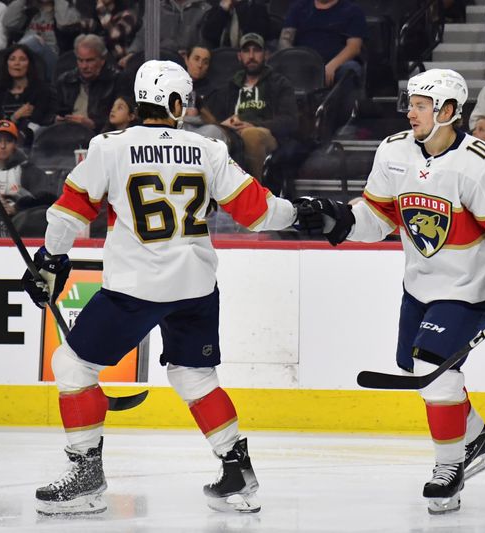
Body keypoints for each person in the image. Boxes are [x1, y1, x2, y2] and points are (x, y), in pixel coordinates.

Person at [23, 60, 299, 516]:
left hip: (136, 287)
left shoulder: (110, 146)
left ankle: (87, 479)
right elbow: (260, 213)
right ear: (176, 103)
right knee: (194, 376)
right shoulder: (206, 147)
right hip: (195, 284)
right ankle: (237, 474)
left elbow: (67, 213)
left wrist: (52, 259)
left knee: (71, 366)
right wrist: (305, 211)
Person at [294, 69, 485, 515]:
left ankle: (449, 469)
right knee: (419, 369)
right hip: (420, 285)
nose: (411, 111)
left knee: (432, 369)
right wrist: (340, 221)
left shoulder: (483, 163)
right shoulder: (393, 151)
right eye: (411, 103)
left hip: (469, 288)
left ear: (448, 112)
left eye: (422, 105)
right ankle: (477, 437)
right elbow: (379, 218)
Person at [202, 32, 297, 179]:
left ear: (266, 55)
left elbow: (289, 121)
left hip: (266, 135)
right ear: (240, 56)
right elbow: (212, 118)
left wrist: (251, 124)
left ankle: (255, 192)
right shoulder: (230, 86)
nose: (251, 56)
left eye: (256, 50)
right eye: (246, 51)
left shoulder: (279, 83)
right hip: (232, 135)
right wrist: (224, 125)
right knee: (209, 133)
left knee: (250, 134)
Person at [279, 0, 367, 87]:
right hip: (302, 65)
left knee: (350, 68)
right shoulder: (298, 8)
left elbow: (354, 47)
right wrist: (294, 63)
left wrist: (332, 66)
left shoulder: (353, 11)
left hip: (336, 65)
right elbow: (285, 40)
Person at [0, 119, 53, 214]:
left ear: (16, 144)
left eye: (8, 141)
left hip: (19, 223)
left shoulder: (29, 170)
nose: (3, 146)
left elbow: (47, 198)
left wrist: (17, 208)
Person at [0, 44, 56, 145]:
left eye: (22, 59)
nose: (17, 63)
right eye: (12, 59)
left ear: (29, 64)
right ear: (7, 64)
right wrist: (15, 117)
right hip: (3, 143)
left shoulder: (41, 91)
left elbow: (39, 121)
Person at [54, 33, 118, 133]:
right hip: (67, 134)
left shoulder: (116, 81)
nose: (84, 66)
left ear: (102, 60)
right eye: (80, 60)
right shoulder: (65, 81)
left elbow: (122, 120)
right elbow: (51, 111)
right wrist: (56, 119)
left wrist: (93, 124)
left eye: (89, 60)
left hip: (101, 136)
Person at [202, 0, 271, 49]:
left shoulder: (258, 8)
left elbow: (254, 36)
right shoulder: (218, 8)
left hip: (246, 55)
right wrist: (223, 10)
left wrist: (241, 5)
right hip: (220, 57)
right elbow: (208, 35)